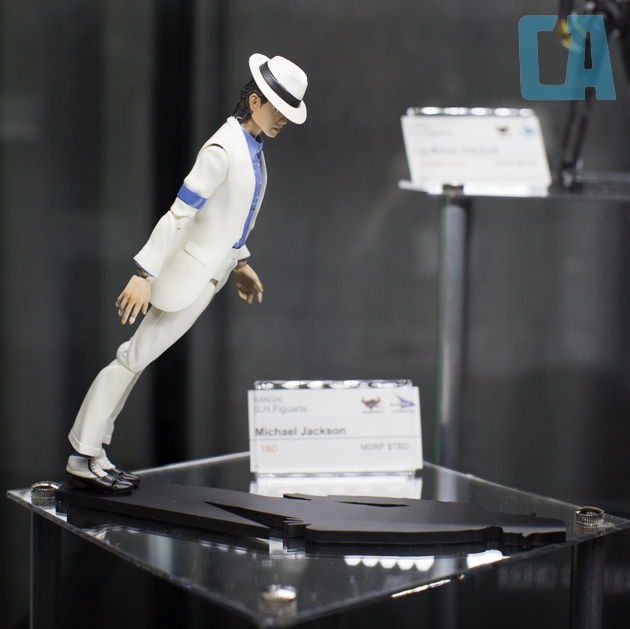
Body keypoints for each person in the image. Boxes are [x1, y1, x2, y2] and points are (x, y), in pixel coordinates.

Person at [65, 53, 308, 493]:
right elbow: (180, 214)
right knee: (130, 359)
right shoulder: (222, 149)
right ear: (255, 102)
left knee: (135, 360)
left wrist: (241, 263)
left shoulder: (253, 151)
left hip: (209, 277)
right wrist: (144, 272)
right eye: (277, 109)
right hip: (184, 277)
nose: (282, 121)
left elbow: (232, 219)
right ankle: (83, 455)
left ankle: (94, 452)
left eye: (287, 114)